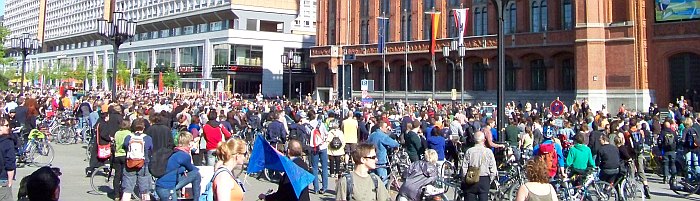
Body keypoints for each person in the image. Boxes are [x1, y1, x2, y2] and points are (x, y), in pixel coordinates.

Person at [155, 131, 201, 201]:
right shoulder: (184, 156)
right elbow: (191, 169)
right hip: (167, 188)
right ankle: (196, 199)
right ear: (188, 143)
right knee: (196, 174)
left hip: (161, 185)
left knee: (196, 174)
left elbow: (172, 167)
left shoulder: (174, 151)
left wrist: (182, 169)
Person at [121, 119, 153, 201]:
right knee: (145, 190)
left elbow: (125, 147)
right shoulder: (147, 138)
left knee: (127, 189)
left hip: (130, 163)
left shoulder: (128, 137)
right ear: (144, 127)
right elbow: (151, 149)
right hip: (144, 164)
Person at [462, 131, 498, 201]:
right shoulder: (488, 152)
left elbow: (464, 168)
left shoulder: (469, 151)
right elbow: (493, 170)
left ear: (473, 140)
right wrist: (489, 180)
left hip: (471, 177)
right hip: (484, 179)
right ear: (484, 140)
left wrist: (464, 178)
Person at [306, 110, 330, 194]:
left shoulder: (307, 126)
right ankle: (324, 187)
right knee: (324, 167)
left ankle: (316, 188)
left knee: (314, 167)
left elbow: (308, 137)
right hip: (322, 146)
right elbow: (326, 133)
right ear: (315, 116)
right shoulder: (321, 124)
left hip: (313, 148)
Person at [113, 120, 132, 201]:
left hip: (117, 155)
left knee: (117, 175)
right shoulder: (129, 133)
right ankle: (124, 193)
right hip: (125, 155)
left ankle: (116, 194)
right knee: (126, 175)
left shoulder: (117, 133)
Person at [0, 118, 16, 201]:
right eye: (6, 125)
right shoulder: (7, 142)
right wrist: (10, 182)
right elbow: (10, 164)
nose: (8, 127)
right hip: (3, 178)